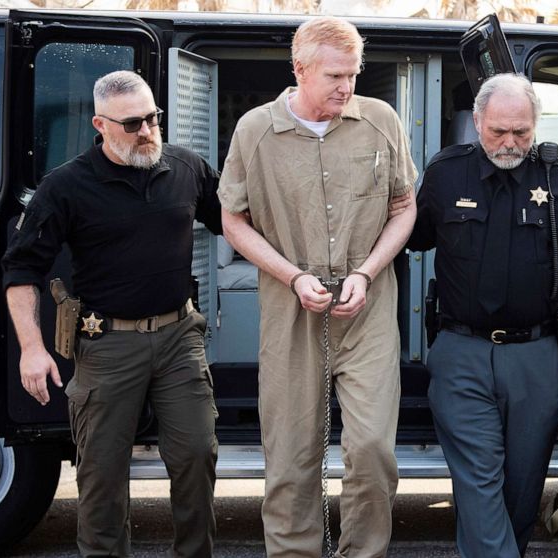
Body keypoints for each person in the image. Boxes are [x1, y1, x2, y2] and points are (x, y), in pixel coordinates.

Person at [217, 16, 417, 558]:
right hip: (289, 309)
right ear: (299, 69)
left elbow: (404, 206)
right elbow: (233, 219)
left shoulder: (381, 120)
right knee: (290, 458)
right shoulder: (255, 130)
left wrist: (367, 271)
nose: (346, 87)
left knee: (374, 448)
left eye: (353, 74)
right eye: (334, 75)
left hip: (368, 308)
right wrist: (293, 275)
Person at [2, 70, 222, 557]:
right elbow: (21, 272)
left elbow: (236, 222)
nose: (146, 131)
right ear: (100, 124)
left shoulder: (187, 167)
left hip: (179, 336)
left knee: (196, 454)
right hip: (107, 344)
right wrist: (32, 351)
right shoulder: (64, 187)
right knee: (101, 473)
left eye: (153, 118)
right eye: (132, 124)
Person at [406, 73, 558, 557]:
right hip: (462, 353)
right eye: (498, 131)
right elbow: (408, 238)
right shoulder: (446, 174)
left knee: (521, 491)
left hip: (535, 355)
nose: (509, 142)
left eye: (521, 133)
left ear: (535, 126)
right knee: (480, 482)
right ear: (477, 121)